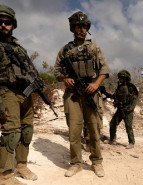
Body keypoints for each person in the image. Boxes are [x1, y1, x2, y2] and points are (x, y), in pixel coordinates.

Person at [0, 4, 38, 185]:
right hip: (7, 92)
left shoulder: (20, 49)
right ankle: (5, 175)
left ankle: (21, 165)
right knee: (11, 134)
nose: (3, 25)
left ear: (13, 24)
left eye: (7, 22)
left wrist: (36, 82)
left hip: (25, 94)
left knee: (27, 131)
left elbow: (30, 70)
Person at [54, 11, 110, 177]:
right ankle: (76, 163)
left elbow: (104, 70)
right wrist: (65, 79)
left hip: (91, 92)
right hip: (73, 95)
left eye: (84, 27)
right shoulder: (65, 50)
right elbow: (57, 70)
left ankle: (97, 162)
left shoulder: (94, 48)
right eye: (78, 26)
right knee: (74, 131)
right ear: (73, 28)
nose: (81, 30)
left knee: (94, 130)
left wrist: (95, 84)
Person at [108, 70, 138, 149]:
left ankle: (131, 142)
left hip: (128, 109)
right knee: (113, 123)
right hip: (120, 108)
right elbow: (115, 96)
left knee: (128, 126)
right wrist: (114, 101)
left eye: (121, 77)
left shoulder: (131, 87)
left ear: (125, 78)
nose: (120, 79)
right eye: (119, 77)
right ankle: (112, 139)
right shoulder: (119, 87)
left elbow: (135, 98)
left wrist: (132, 107)